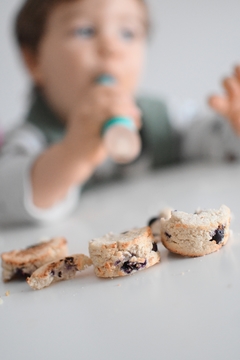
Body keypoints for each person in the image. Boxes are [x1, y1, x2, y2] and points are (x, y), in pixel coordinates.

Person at [0, 0, 239, 226]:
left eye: (127, 33)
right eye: (84, 31)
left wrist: (234, 127)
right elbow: (10, 194)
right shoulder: (30, 138)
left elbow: (213, 141)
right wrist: (73, 153)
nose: (111, 47)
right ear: (34, 60)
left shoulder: (160, 118)